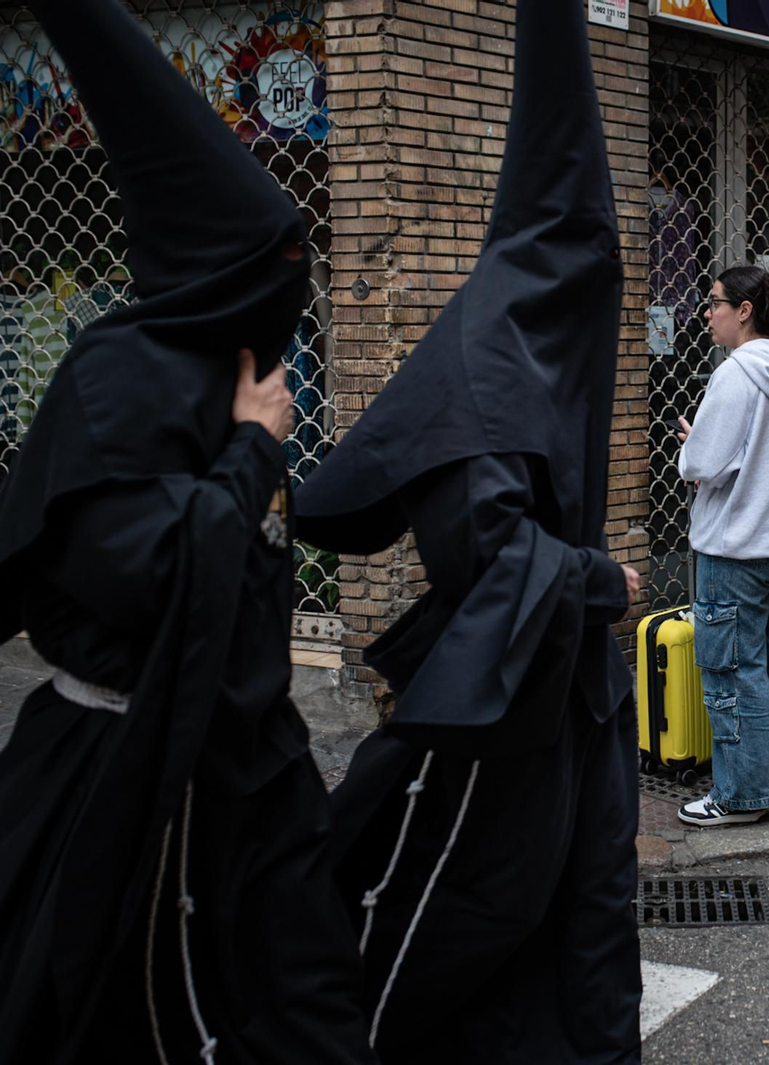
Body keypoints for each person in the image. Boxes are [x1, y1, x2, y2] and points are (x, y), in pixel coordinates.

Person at [0, 1, 375, 1060]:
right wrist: (250, 455)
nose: (288, 285)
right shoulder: (120, 379)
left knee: (306, 991)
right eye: (271, 260)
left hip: (243, 757)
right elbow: (145, 572)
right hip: (121, 765)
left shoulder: (219, 369)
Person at [291, 4, 642, 1060]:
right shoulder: (486, 357)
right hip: (509, 704)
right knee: (462, 913)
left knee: (594, 900)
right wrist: (601, 581)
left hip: (580, 692)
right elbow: (485, 547)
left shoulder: (535, 331)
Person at [673, 265, 769, 826]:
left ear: (744, 310)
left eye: (714, 302)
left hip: (737, 547)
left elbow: (706, 462)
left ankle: (742, 794)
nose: (707, 312)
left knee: (733, 669)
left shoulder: (736, 374)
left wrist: (691, 449)